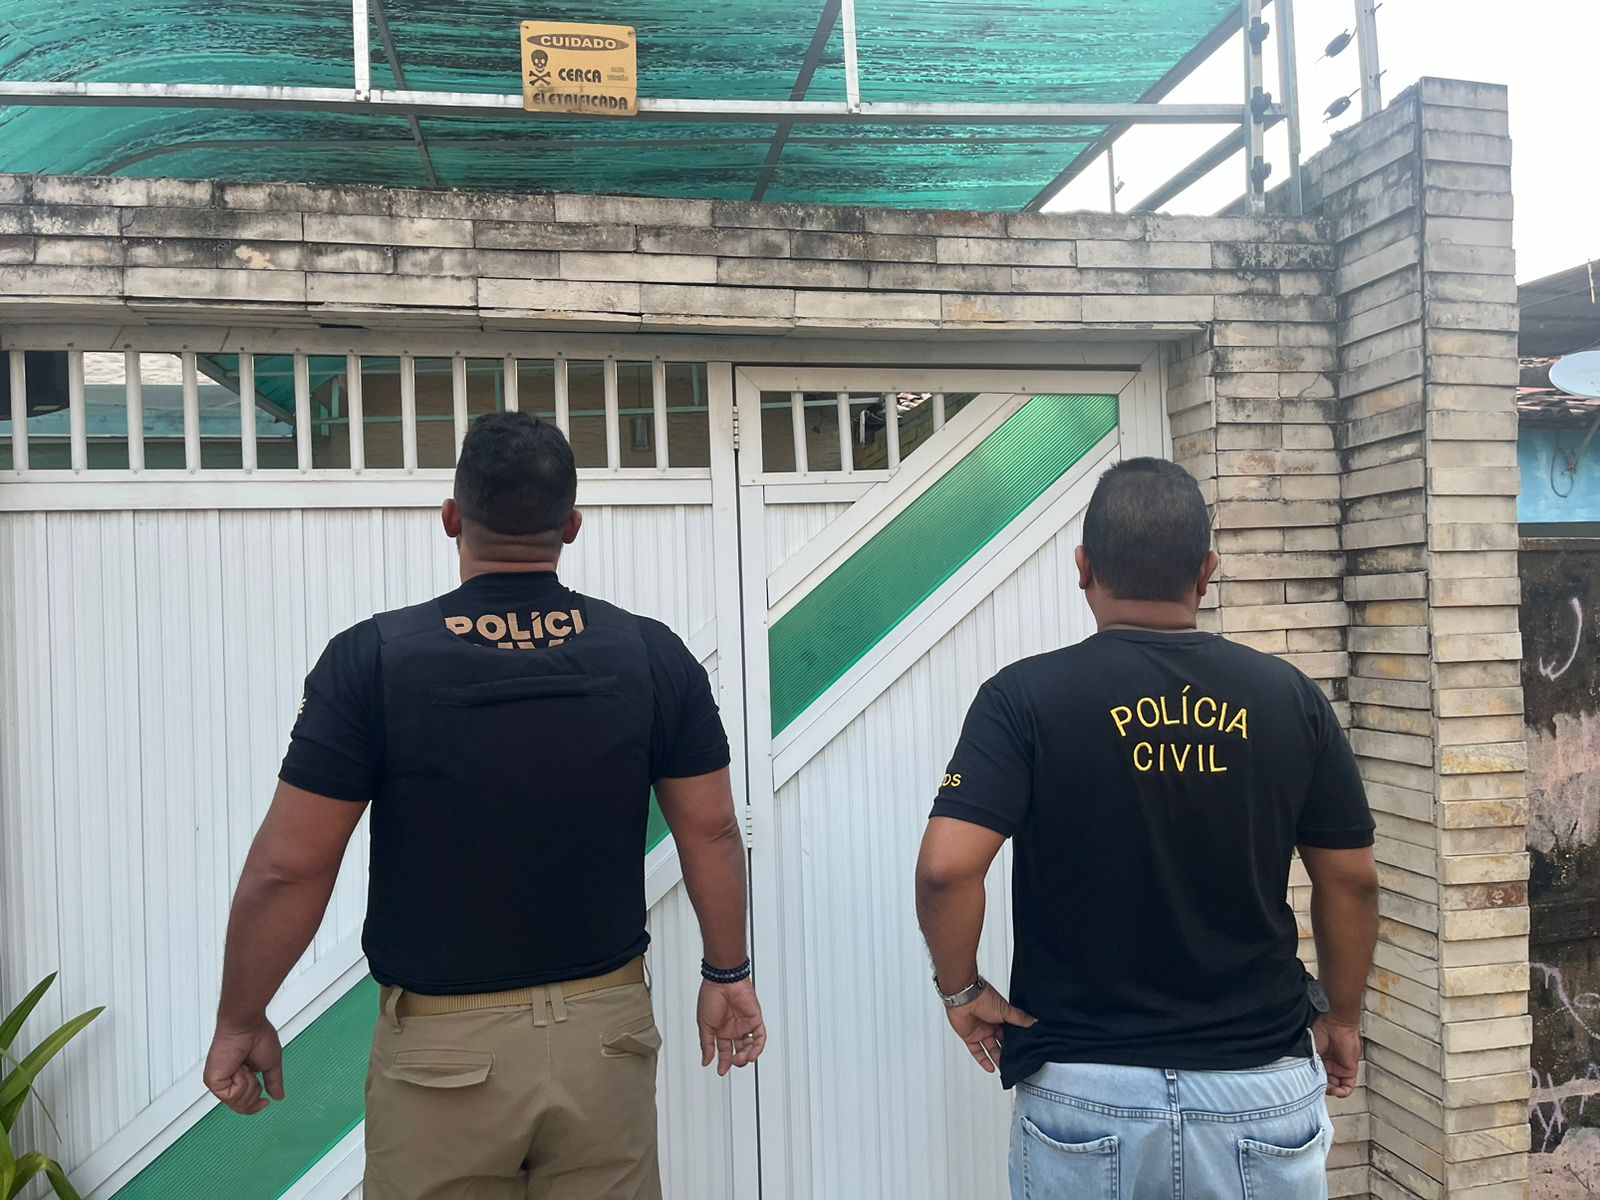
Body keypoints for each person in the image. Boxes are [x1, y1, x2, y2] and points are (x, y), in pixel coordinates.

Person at [203, 411, 766, 1199]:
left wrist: (242, 1016)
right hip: (606, 1037)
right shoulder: (650, 654)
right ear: (571, 526)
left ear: (452, 517)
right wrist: (727, 971)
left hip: (442, 1055)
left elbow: (289, 868)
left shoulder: (373, 661)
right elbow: (711, 828)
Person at [915, 457, 1378, 1200]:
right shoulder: (1290, 698)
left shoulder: (1022, 698)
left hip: (1084, 1090)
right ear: (1206, 572)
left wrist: (961, 990)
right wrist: (1343, 1016)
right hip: (1257, 1085)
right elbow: (1351, 880)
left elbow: (946, 869)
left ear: (1083, 567)